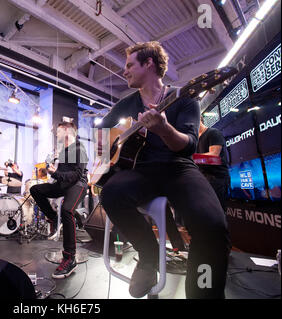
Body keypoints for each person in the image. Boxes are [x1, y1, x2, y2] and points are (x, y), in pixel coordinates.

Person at [97, 41, 230, 298]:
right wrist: (110, 153)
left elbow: (188, 147)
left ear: (149, 64)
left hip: (178, 168)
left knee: (213, 224)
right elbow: (102, 130)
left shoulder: (185, 98)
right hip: (141, 170)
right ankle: (148, 257)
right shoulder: (126, 104)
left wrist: (163, 128)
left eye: (129, 65)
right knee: (111, 194)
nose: (124, 71)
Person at [30, 121, 88, 279]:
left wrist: (55, 173)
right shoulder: (64, 151)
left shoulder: (79, 148)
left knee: (67, 210)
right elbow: (61, 175)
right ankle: (54, 219)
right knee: (35, 189)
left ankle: (69, 258)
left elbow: (76, 175)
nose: (56, 134)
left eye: (59, 131)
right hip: (63, 184)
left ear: (67, 131)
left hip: (78, 185)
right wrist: (51, 170)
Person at [196, 117, 230, 211]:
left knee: (217, 213)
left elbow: (213, 157)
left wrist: (190, 158)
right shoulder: (195, 141)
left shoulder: (213, 133)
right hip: (203, 181)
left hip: (217, 179)